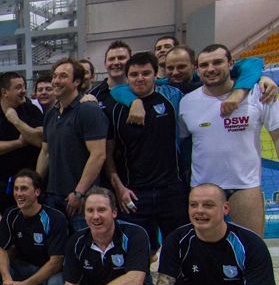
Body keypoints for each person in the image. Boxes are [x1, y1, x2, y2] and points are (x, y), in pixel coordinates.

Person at [178, 44, 279, 236]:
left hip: (244, 187)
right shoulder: (187, 102)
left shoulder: (260, 93)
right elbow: (183, 144)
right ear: (197, 69)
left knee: (251, 248)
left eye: (217, 62)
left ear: (231, 64)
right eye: (204, 65)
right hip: (203, 188)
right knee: (205, 252)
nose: (211, 69)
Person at [103, 52, 189, 254]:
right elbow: (107, 153)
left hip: (171, 190)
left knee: (177, 247)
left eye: (146, 73)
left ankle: (171, 284)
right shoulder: (114, 108)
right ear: (127, 78)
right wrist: (119, 187)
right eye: (134, 74)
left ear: (155, 75)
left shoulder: (173, 97)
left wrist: (263, 79)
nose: (140, 78)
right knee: (138, 251)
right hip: (134, 193)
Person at [0, 170, 66, 285]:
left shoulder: (54, 218)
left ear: (37, 192)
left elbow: (56, 262)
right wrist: (7, 280)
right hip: (25, 267)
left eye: (24, 189)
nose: (19, 194)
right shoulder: (11, 214)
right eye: (16, 188)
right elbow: (2, 250)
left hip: (50, 271)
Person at [36, 58, 108, 232]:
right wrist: (35, 185)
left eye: (63, 76)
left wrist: (79, 192)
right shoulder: (51, 114)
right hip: (53, 196)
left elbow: (98, 155)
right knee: (58, 250)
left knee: (85, 248)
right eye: (55, 76)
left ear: (77, 82)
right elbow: (45, 153)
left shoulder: (88, 110)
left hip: (80, 198)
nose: (56, 81)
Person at [0, 72, 44, 214]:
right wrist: (19, 143)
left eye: (24, 86)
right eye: (18, 87)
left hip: (29, 181)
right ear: (4, 92)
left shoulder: (32, 110)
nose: (24, 91)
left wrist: (16, 120)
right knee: (1, 224)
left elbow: (39, 140)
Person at [88, 40, 131, 124]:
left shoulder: (138, 91)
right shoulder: (93, 95)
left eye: (121, 58)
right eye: (111, 59)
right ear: (105, 64)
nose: (116, 62)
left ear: (130, 61)